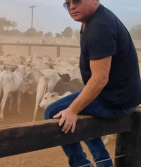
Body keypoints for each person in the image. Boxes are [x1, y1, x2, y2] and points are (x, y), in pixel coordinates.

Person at [44, 0, 141, 167]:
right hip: (122, 96)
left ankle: (80, 164)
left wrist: (73, 110)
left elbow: (100, 79)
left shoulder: (100, 27)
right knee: (81, 109)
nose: (72, 7)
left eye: (77, 1)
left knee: (53, 111)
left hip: (116, 100)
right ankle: (104, 163)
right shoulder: (93, 20)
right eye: (67, 4)